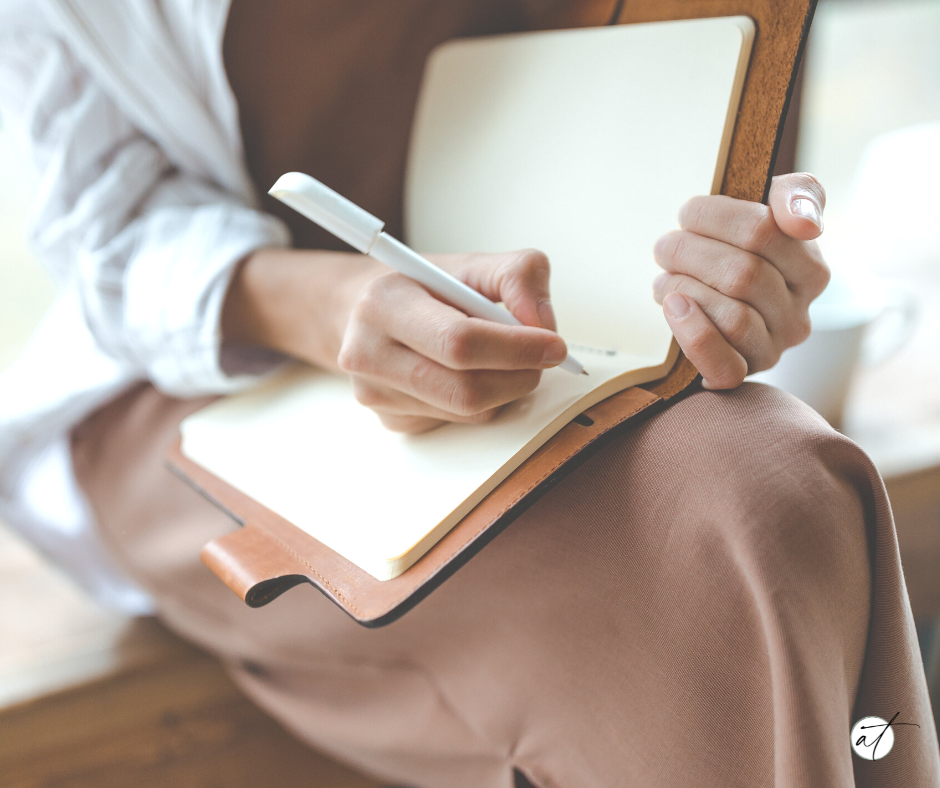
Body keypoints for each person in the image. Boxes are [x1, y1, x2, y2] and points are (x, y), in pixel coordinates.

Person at [1, 1, 938, 786]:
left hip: (559, 335)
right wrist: (339, 307)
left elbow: (696, 69)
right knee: (729, 527)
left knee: (768, 485)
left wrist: (738, 243)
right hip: (211, 371)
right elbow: (110, 229)